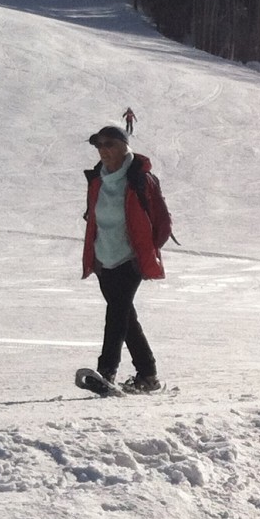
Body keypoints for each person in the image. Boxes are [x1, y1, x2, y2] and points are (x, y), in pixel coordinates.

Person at [81, 124, 166, 391]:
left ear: (124, 146)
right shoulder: (97, 179)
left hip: (130, 260)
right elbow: (94, 219)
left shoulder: (141, 180)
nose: (102, 150)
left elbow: (163, 223)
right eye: (98, 145)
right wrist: (94, 255)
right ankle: (148, 375)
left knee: (116, 312)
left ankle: (107, 371)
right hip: (104, 259)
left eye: (109, 144)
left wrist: (145, 250)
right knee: (125, 316)